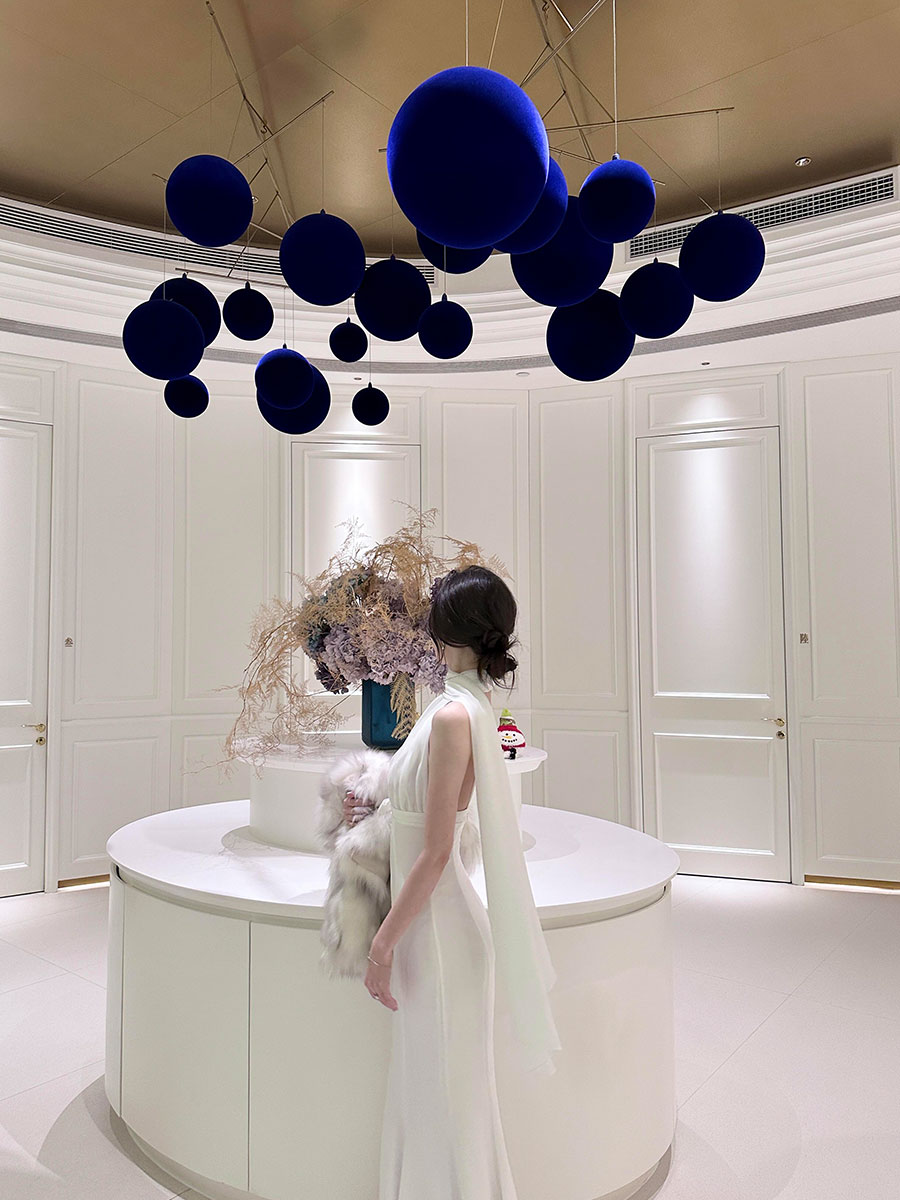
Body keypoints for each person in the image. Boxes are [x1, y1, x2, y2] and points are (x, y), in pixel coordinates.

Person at [344, 564, 560, 1200]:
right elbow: (428, 822)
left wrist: (382, 944)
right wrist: (380, 806)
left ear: (447, 627)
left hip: (437, 931)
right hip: (434, 923)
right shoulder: (465, 705)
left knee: (444, 1096)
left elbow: (437, 851)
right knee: (435, 1094)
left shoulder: (452, 716)